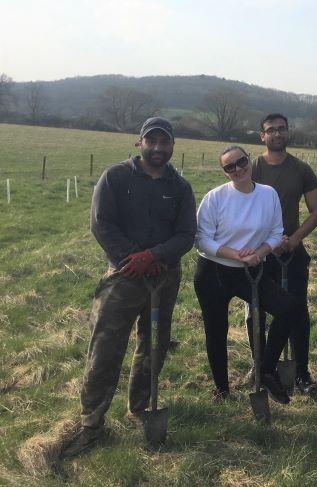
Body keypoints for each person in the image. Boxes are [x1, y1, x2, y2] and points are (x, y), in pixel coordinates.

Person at [61, 117, 196, 457]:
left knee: (155, 344)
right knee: (105, 349)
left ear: (172, 146)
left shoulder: (180, 187)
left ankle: (139, 407)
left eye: (164, 142)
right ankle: (91, 423)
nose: (157, 148)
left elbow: (186, 234)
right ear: (140, 143)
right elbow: (101, 223)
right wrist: (131, 258)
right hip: (123, 277)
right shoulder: (116, 177)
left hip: (164, 276)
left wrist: (155, 255)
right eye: (151, 141)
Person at [194, 145, 300, 404]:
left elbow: (276, 231)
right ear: (224, 171)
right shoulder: (215, 198)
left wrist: (262, 251)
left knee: (288, 308)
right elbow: (201, 239)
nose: (237, 169)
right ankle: (222, 389)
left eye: (241, 162)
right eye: (229, 167)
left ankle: (265, 369)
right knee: (216, 331)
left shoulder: (267, 194)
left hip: (251, 270)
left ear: (249, 161)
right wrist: (236, 254)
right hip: (214, 271)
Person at [250, 113, 317, 394]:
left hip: (291, 253)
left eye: (282, 129)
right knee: (257, 313)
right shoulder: (253, 168)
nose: (277, 134)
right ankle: (261, 366)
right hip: (260, 254)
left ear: (288, 132)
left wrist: (293, 240)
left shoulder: (301, 169)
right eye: (271, 130)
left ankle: (302, 372)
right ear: (262, 136)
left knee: (297, 312)